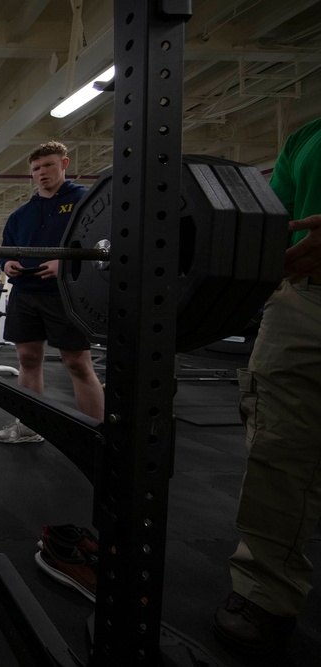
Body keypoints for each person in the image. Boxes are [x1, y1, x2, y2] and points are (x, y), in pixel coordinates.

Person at [213, 118, 321, 653]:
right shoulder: (307, 137)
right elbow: (266, 225)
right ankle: (267, 592)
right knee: (277, 447)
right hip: (303, 300)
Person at [0, 141, 104, 443]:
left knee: (78, 362)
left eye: (49, 166)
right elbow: (5, 250)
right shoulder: (21, 215)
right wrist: (7, 264)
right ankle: (29, 426)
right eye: (36, 169)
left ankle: (96, 434)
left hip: (65, 294)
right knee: (27, 359)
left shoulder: (86, 204)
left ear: (64, 164)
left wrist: (65, 264)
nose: (42, 173)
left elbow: (99, 247)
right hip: (25, 294)